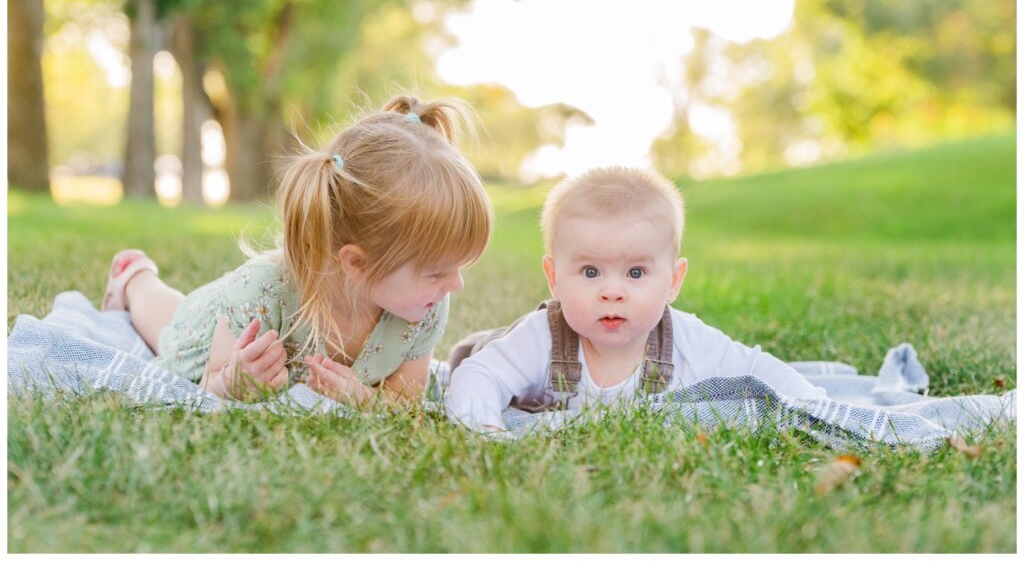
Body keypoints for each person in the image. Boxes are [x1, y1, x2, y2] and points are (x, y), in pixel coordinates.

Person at [101, 95, 492, 406]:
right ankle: (134, 275)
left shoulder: (423, 307)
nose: (455, 285)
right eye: (437, 272)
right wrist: (231, 382)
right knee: (167, 321)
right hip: (216, 327)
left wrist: (364, 399)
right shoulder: (264, 291)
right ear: (356, 263)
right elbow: (206, 387)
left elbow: (405, 405)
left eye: (457, 268)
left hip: (240, 313)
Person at [444, 165, 826, 432]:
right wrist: (484, 427)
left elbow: (755, 369)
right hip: (480, 352)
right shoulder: (541, 337)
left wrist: (815, 405)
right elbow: (481, 375)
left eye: (636, 273)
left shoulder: (687, 341)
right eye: (591, 272)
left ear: (673, 281)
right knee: (465, 364)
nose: (613, 291)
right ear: (554, 278)